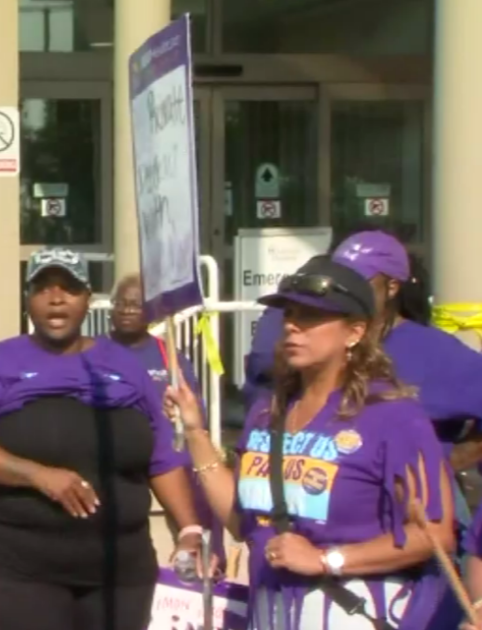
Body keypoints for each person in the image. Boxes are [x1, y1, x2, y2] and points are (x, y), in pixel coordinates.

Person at [172, 255, 454, 629]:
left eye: (311, 317)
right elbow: (245, 524)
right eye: (289, 314)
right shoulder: (266, 412)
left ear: (355, 332)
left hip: (355, 613)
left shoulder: (394, 417)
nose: (291, 326)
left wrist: (327, 559)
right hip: (270, 614)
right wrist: (195, 434)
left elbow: (435, 535)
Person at [0, 246, 205, 630]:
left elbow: (161, 454)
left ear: (87, 299)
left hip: (120, 571)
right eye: (44, 288)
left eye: (70, 288)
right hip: (19, 571)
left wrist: (189, 529)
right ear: (28, 299)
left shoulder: (126, 366)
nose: (57, 297)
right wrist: (38, 475)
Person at [244, 231, 482, 529]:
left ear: (392, 287)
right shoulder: (304, 341)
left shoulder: (436, 352)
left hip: (412, 520)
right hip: (320, 506)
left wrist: (444, 468)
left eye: (361, 279)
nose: (348, 287)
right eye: (342, 275)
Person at [106, 273, 223, 571]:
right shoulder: (95, 351)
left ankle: (207, 565)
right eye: (121, 303)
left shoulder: (168, 355)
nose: (127, 310)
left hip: (167, 451)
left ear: (150, 310)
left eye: (135, 304)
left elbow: (193, 408)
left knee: (202, 482)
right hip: (118, 452)